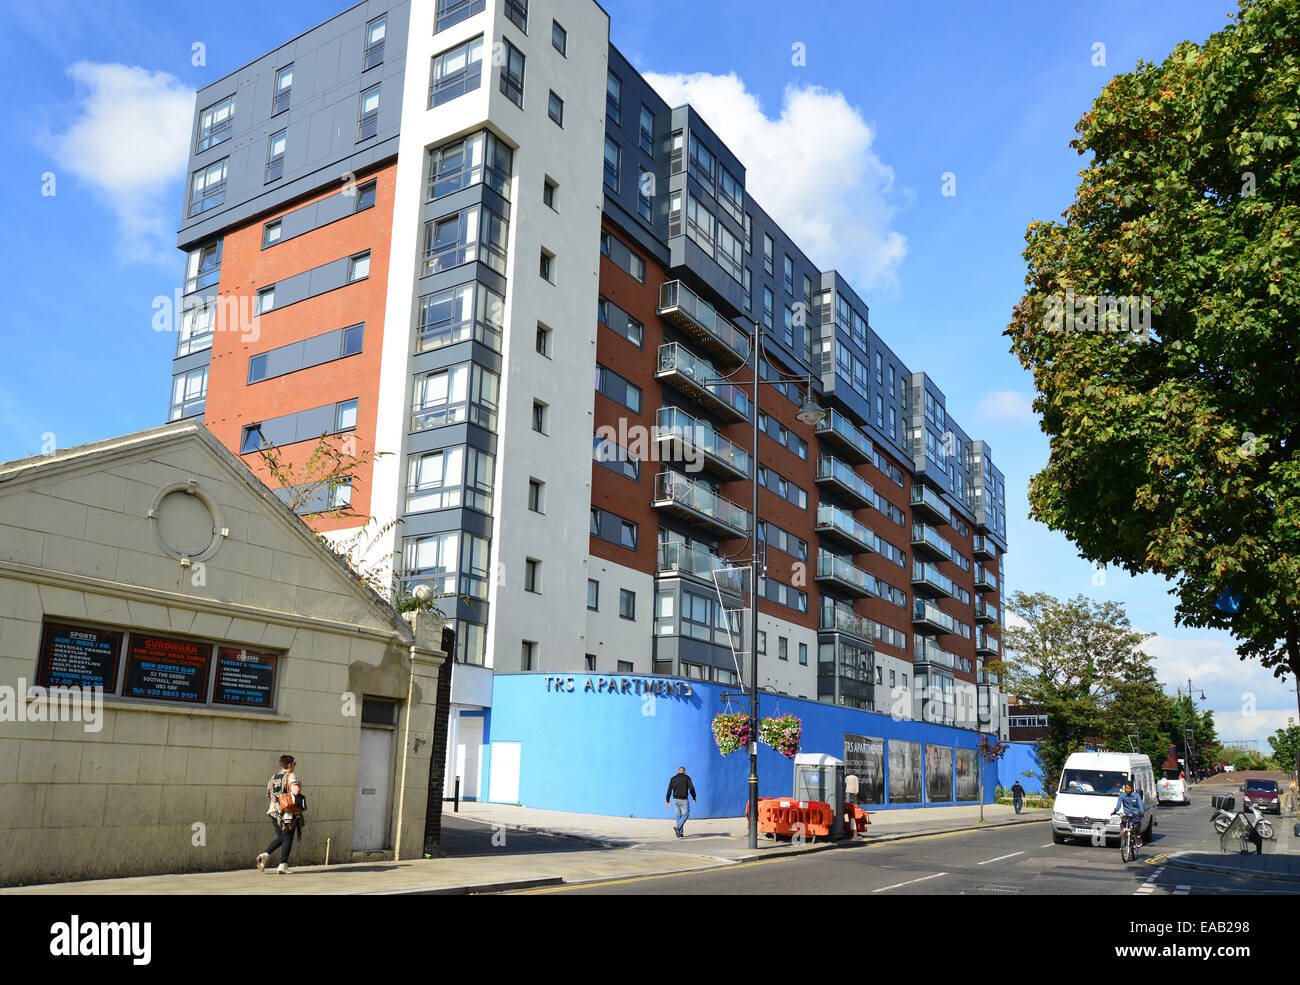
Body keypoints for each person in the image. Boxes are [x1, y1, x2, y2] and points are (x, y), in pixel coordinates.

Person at [257, 755, 303, 874]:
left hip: (273, 812)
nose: (294, 766)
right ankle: (283, 865)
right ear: (289, 765)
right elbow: (296, 791)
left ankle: (265, 855)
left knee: (282, 838)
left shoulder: (273, 777)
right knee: (288, 838)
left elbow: (268, 792)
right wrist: (299, 785)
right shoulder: (290, 776)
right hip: (287, 813)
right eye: (294, 764)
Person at [1110, 780, 1145, 848]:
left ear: (1132, 788)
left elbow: (1141, 805)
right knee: (1123, 829)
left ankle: (1138, 838)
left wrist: (1141, 812)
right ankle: (1123, 843)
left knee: (1136, 827)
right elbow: (1119, 805)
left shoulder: (1136, 795)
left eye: (1129, 788)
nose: (1128, 790)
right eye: (1126, 788)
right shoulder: (1122, 795)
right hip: (1126, 815)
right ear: (1124, 788)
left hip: (1135, 814)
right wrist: (1115, 811)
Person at [665, 766, 697, 838]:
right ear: (684, 771)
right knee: (686, 815)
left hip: (675, 799)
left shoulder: (673, 778)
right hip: (684, 799)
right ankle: (678, 827)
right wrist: (694, 797)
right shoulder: (687, 778)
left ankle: (680, 833)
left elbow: (669, 790)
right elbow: (691, 788)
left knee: (678, 816)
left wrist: (667, 800)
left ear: (678, 771)